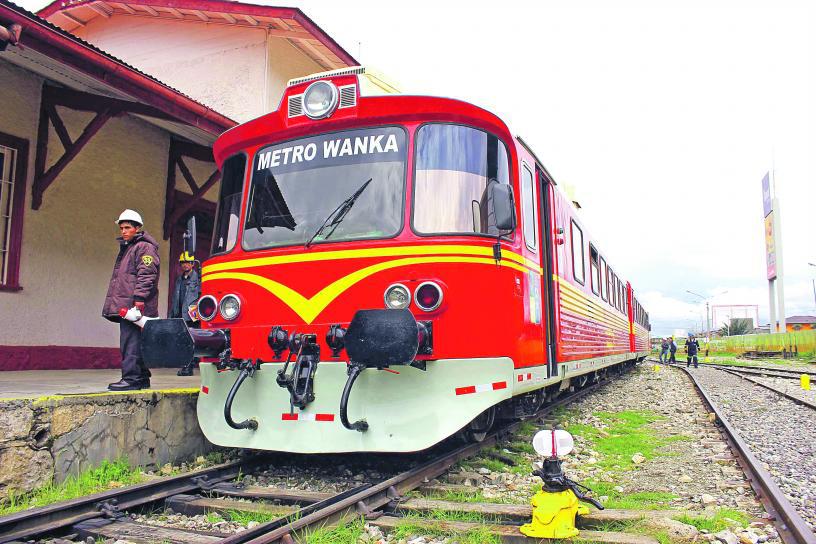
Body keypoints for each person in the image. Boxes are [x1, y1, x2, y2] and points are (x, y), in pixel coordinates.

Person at [102, 210, 160, 391]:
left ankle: (131, 379)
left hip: (134, 305)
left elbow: (147, 274)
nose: (124, 231)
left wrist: (139, 298)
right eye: (121, 228)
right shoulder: (130, 247)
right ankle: (141, 378)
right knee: (137, 342)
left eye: (128, 227)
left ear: (138, 228)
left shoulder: (144, 248)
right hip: (129, 303)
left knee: (131, 342)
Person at [170, 251, 201, 376]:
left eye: (187, 262)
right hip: (180, 315)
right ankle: (185, 366)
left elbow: (201, 297)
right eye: (182, 263)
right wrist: (173, 314)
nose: (185, 265)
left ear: (192, 264)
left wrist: (197, 314)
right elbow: (175, 298)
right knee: (183, 341)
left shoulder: (198, 279)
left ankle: (189, 367)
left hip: (191, 316)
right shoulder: (179, 279)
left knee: (191, 341)